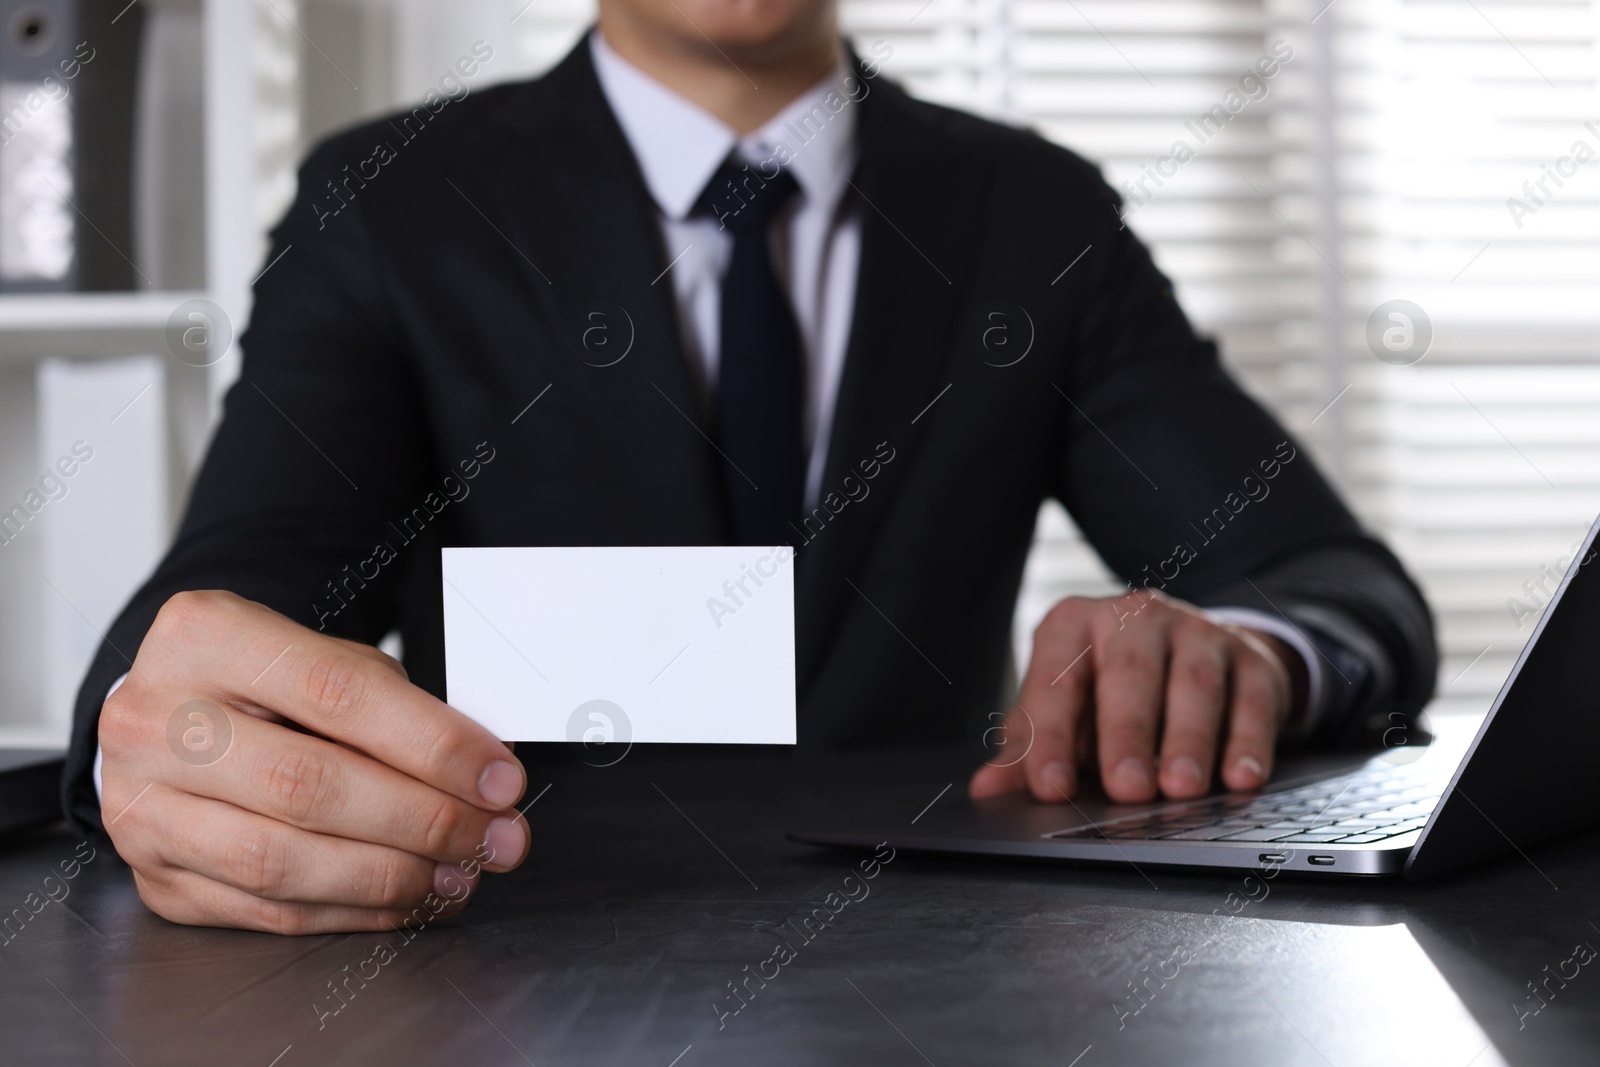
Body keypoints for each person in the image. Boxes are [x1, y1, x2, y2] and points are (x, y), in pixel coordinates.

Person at [68, 0, 1435, 933]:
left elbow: (1326, 582)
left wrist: (1250, 653)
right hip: (525, 970)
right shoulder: (396, 202)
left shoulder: (1033, 212)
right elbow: (226, 599)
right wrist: (166, 723)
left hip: (956, 979)